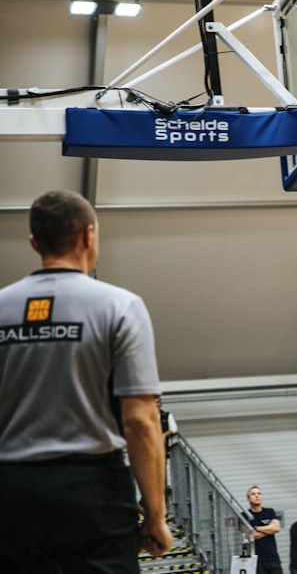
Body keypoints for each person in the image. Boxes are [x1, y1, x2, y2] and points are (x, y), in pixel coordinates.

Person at [0, 189, 172, 572]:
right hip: (93, 492)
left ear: (34, 242)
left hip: (12, 493)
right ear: (88, 235)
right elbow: (140, 422)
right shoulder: (120, 307)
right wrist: (155, 515)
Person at [246, 485, 283, 574]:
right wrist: (269, 530)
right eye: (253, 494)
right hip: (257, 561)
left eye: (259, 493)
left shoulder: (270, 512)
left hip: (273, 558)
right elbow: (250, 536)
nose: (257, 496)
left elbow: (277, 528)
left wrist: (257, 528)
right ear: (248, 499)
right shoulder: (245, 515)